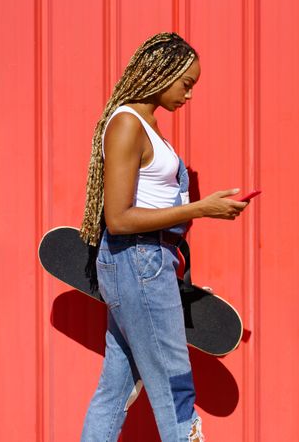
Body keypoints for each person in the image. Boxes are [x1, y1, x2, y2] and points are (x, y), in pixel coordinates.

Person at [78, 32, 248, 442]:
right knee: (175, 388)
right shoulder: (126, 124)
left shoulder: (147, 125)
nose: (189, 95)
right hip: (138, 261)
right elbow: (117, 219)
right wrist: (201, 208)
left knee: (115, 388)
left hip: (148, 263)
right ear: (161, 73)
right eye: (186, 83)